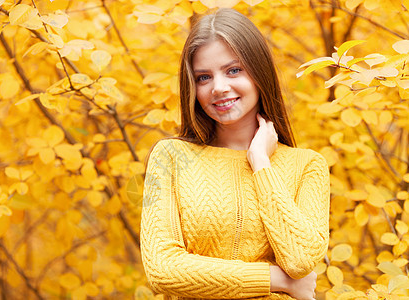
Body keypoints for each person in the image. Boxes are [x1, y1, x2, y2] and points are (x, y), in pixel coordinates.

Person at [140, 8, 330, 300]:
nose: (218, 88)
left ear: (259, 72)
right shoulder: (171, 157)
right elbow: (162, 269)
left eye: (233, 70)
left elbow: (300, 259)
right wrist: (276, 280)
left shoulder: (307, 166)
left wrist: (262, 164)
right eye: (203, 77)